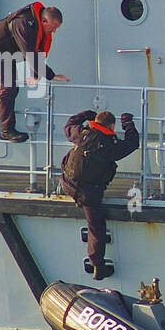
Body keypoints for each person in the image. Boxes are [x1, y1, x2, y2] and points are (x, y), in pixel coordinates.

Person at [0, 3, 70, 143]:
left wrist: (35, 75)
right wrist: (51, 75)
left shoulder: (35, 26)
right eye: (52, 27)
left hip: (6, 54)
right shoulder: (22, 24)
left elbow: (36, 52)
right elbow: (30, 54)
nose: (53, 31)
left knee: (11, 89)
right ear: (44, 21)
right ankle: (6, 130)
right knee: (7, 87)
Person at [60, 110, 140, 280]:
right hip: (89, 194)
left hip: (67, 184)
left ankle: (70, 193)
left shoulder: (81, 133)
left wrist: (85, 114)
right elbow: (133, 143)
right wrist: (128, 124)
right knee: (96, 227)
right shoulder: (110, 146)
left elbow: (69, 124)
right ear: (112, 126)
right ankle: (97, 265)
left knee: (71, 155)